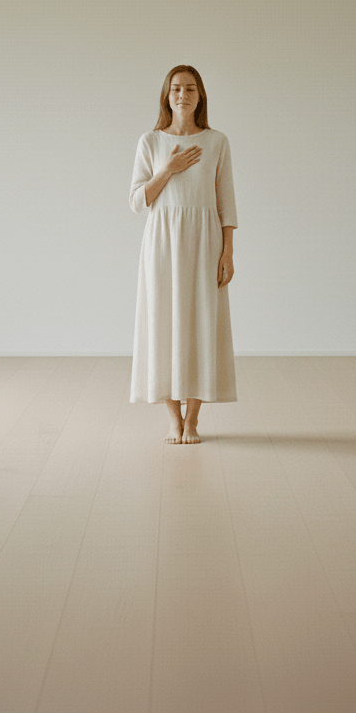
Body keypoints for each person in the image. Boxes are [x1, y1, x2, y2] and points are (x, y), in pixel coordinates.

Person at [129, 65, 238, 443]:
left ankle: (192, 421)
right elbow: (137, 200)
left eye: (190, 89)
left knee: (201, 325)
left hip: (205, 243)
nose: (183, 95)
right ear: (166, 95)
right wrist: (169, 169)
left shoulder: (217, 142)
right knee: (163, 323)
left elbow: (226, 203)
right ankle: (173, 420)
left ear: (200, 96)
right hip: (162, 245)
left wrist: (227, 253)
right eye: (176, 88)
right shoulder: (150, 142)